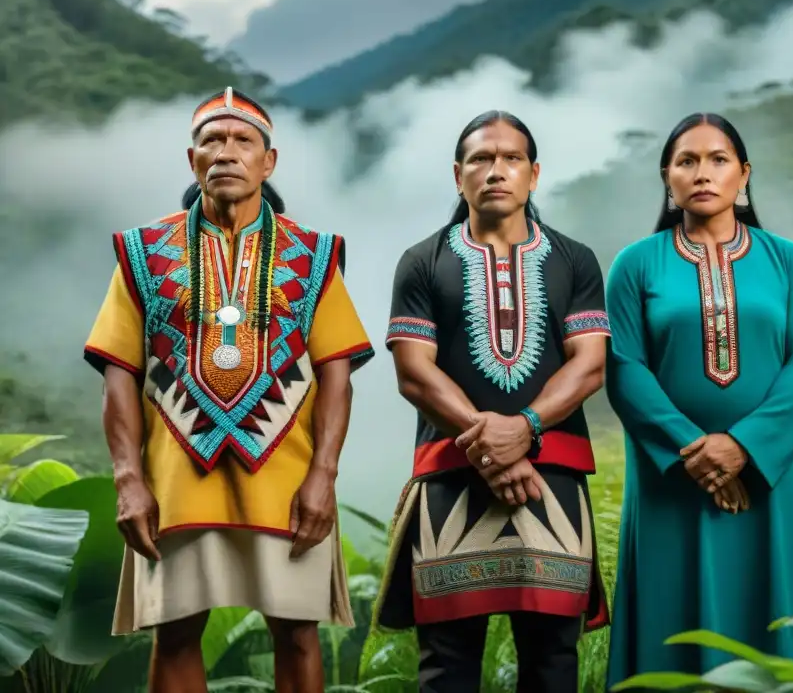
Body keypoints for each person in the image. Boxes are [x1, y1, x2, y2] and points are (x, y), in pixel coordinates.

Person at [83, 87, 375, 693]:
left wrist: (324, 475)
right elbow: (120, 373)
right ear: (192, 159)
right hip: (176, 479)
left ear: (269, 163)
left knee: (297, 634)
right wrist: (128, 479)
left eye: (243, 140)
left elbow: (335, 374)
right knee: (176, 633)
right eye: (212, 140)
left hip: (287, 480)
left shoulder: (314, 255)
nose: (226, 151)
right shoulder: (142, 254)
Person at [374, 110, 611, 692]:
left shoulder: (575, 260)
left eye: (510, 159)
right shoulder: (422, 260)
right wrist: (495, 448)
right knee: (446, 667)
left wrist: (523, 427)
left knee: (553, 661)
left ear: (534, 174)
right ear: (459, 176)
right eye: (480, 159)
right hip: (451, 480)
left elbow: (590, 364)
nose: (495, 170)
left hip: (551, 479)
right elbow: (413, 373)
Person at [604, 112, 793, 686]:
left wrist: (743, 449)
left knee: (777, 612)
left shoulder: (788, 261)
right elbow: (625, 370)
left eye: (718, 160)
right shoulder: (636, 264)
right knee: (671, 612)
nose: (702, 172)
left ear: (744, 174)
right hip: (670, 483)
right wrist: (696, 449)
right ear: (668, 178)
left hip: (769, 479)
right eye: (687, 161)